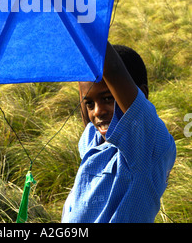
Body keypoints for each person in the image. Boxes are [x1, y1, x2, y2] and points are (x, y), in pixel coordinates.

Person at [61, 41, 176, 223]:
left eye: (108, 99)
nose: (97, 111)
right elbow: (84, 96)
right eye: (90, 103)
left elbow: (113, 69)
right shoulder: (93, 139)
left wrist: (80, 22)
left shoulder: (144, 145)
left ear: (141, 95)